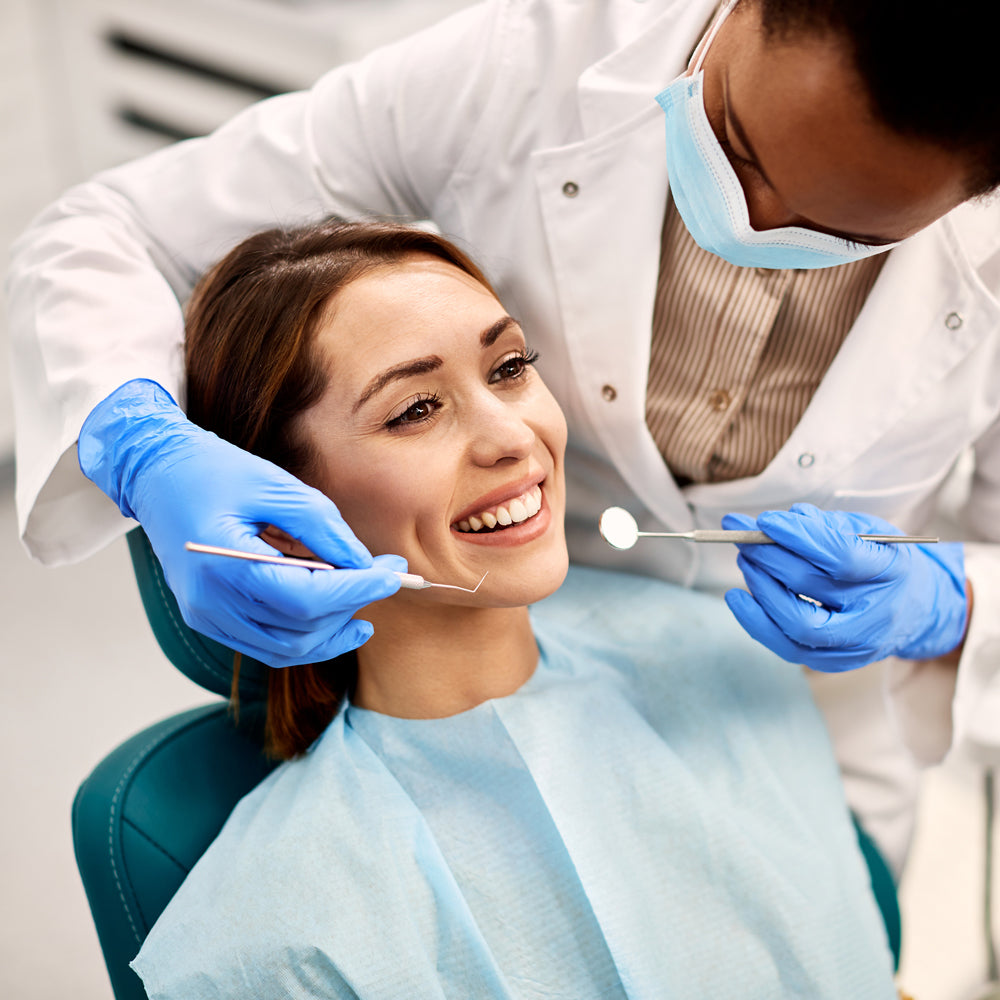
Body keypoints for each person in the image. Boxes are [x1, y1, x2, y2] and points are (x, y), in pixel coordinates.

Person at [7, 0, 1000, 869]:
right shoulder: (527, 64)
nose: (755, 219)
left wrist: (952, 601)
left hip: (799, 733)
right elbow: (103, 233)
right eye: (737, 143)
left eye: (843, 236)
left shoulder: (811, 845)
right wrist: (139, 443)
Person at [130, 218, 897, 997]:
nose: (513, 436)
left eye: (508, 367)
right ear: (281, 518)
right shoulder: (277, 941)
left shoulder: (721, 660)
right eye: (415, 409)